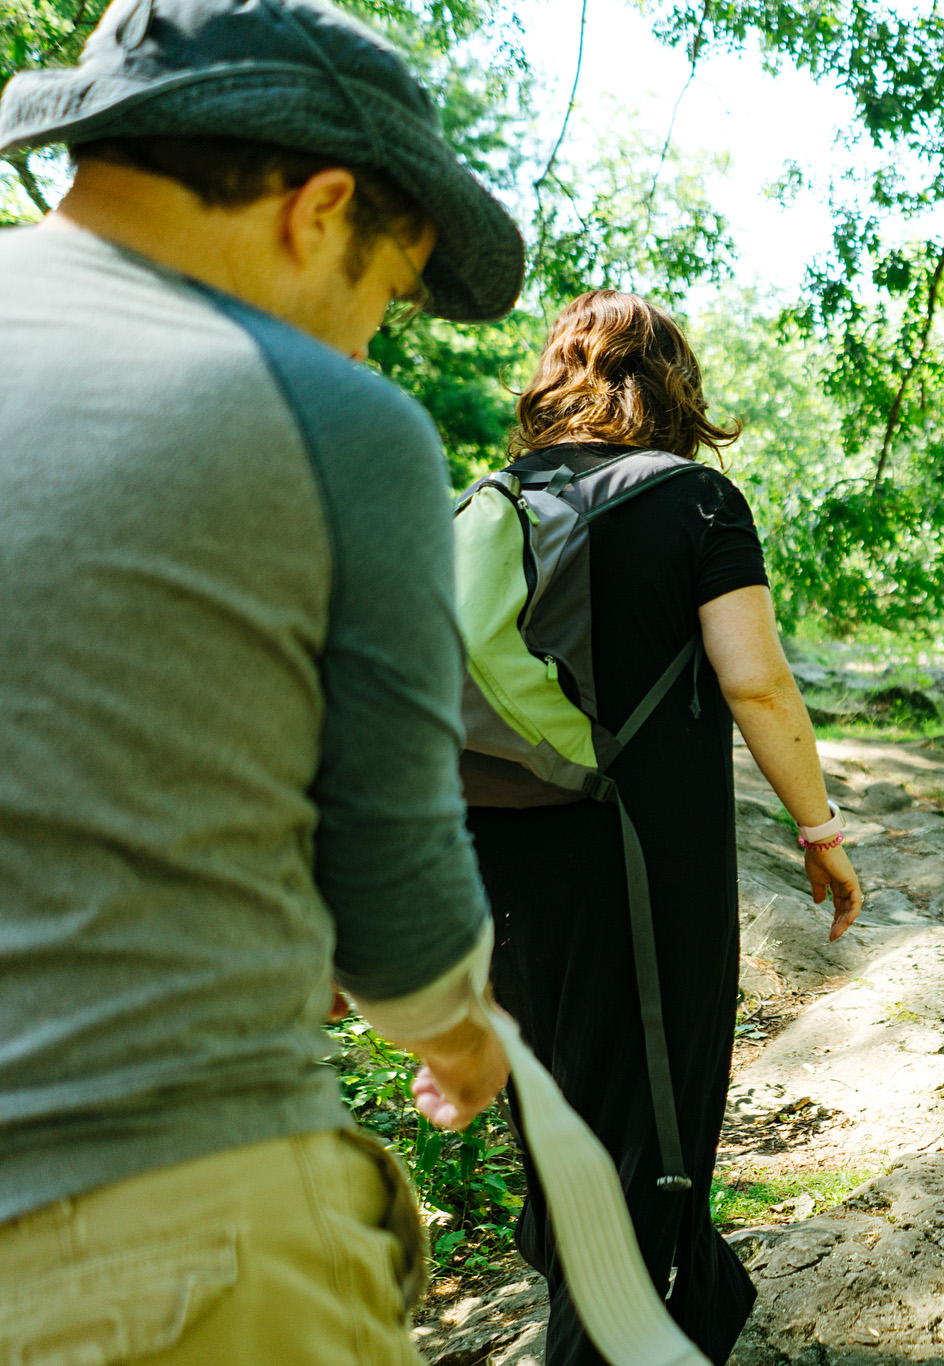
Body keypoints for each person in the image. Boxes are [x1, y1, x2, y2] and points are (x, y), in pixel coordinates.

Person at [0, 0, 527, 1361]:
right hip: (157, 1229)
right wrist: (458, 1035)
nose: (365, 343)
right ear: (320, 209)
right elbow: (396, 897)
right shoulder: (326, 415)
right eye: (384, 294)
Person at [467, 289, 864, 1365]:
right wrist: (821, 833)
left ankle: (642, 1316)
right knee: (646, 1146)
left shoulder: (493, 499)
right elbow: (757, 681)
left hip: (491, 865)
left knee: (562, 1131)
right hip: (640, 868)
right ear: (672, 384)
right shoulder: (694, 501)